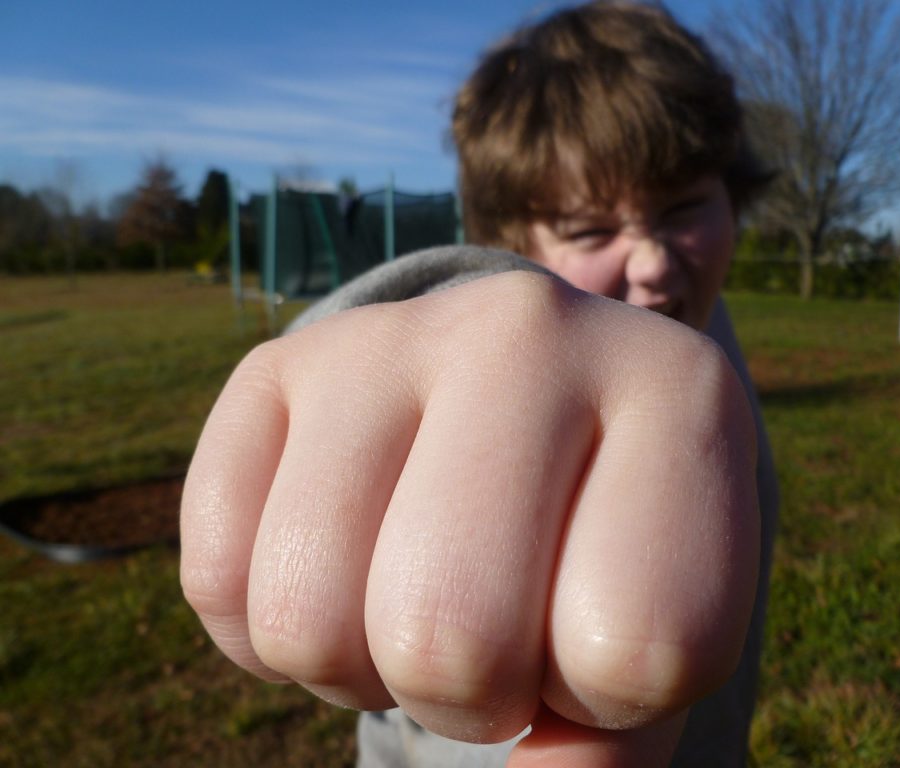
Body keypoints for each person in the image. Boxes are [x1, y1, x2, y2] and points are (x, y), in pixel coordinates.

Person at [180, 2, 778, 766]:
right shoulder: (533, 290)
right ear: (516, 241)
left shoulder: (699, 324)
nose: (655, 262)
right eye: (592, 230)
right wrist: (455, 304)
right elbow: (491, 314)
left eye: (687, 206)